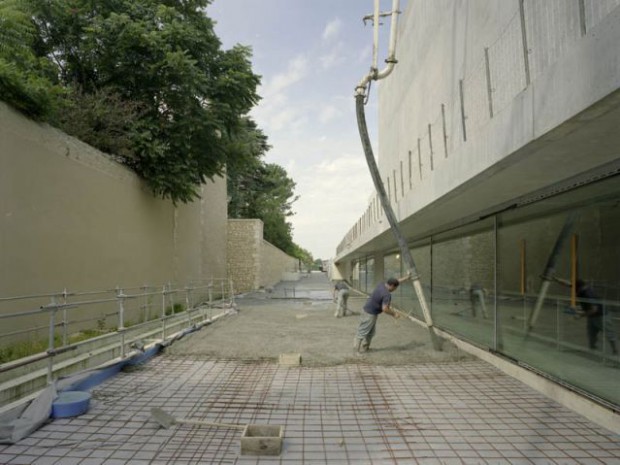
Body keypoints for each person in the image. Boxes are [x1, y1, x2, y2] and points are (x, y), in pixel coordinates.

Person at [553, 276, 618, 355]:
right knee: (591, 333)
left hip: (601, 315)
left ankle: (615, 351)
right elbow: (568, 284)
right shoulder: (579, 288)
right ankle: (593, 349)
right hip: (592, 315)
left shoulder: (587, 293)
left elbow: (594, 309)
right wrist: (557, 280)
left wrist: (580, 315)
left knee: (609, 333)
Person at [354, 274, 411, 353]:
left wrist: (406, 278)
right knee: (363, 332)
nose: (395, 289)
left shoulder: (381, 284)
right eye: (395, 288)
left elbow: (396, 281)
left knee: (370, 332)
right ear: (391, 286)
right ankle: (356, 351)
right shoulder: (387, 294)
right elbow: (385, 309)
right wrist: (394, 314)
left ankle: (365, 348)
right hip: (370, 314)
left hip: (368, 310)